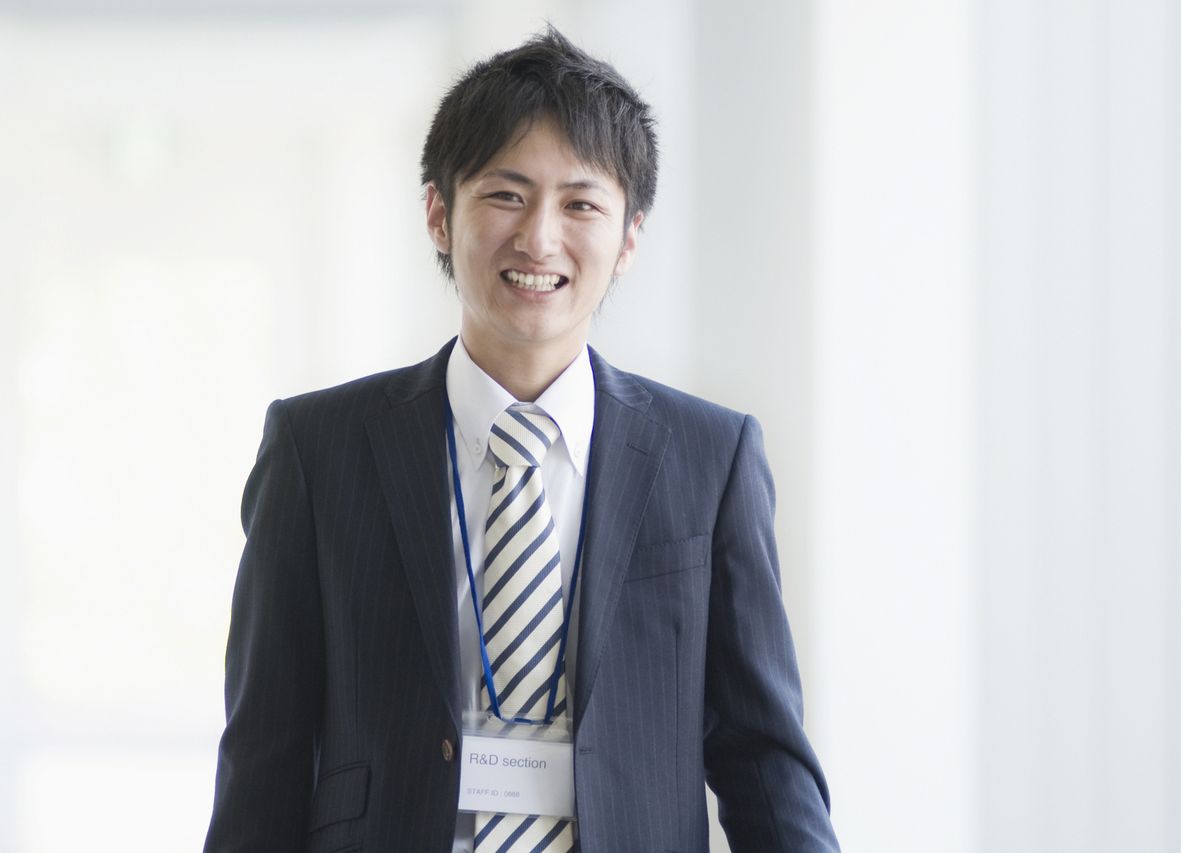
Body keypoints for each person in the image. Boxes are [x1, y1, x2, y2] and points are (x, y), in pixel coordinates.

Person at [203, 27, 839, 853]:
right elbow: (265, 755)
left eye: (581, 204)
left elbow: (764, 759)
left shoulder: (710, 459)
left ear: (629, 238)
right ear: (439, 214)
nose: (540, 238)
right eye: (506, 195)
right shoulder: (317, 450)